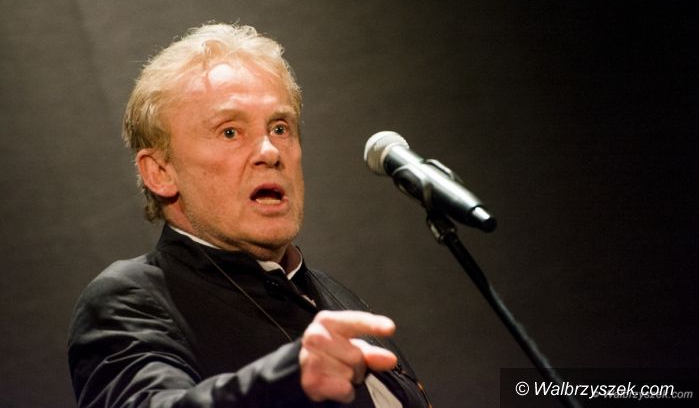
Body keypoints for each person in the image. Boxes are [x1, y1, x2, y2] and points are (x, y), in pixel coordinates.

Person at [68, 23, 431, 408]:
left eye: (280, 128)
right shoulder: (130, 299)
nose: (270, 151)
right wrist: (287, 381)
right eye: (230, 132)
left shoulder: (336, 295)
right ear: (160, 172)